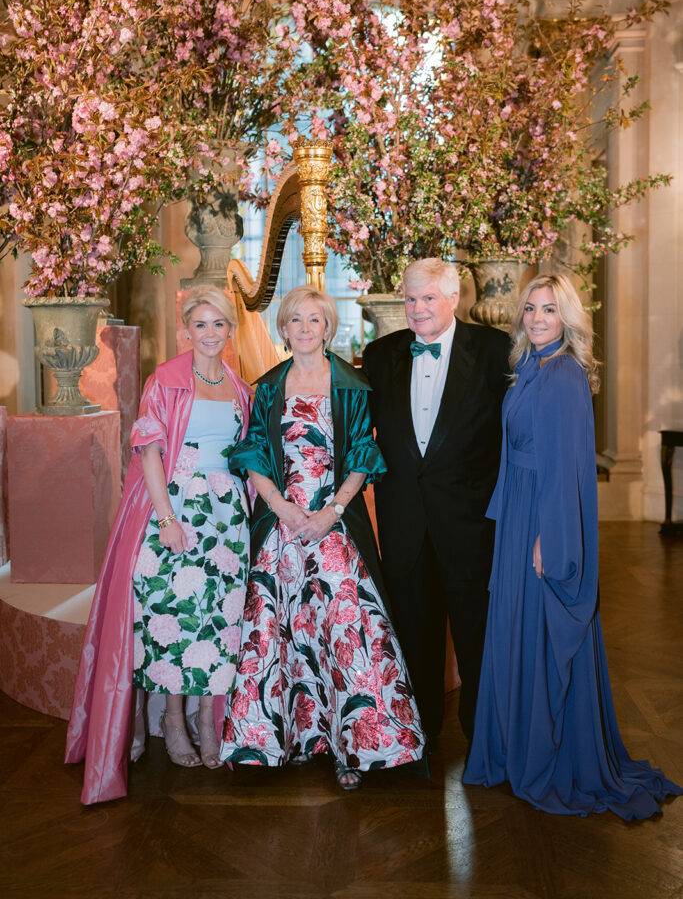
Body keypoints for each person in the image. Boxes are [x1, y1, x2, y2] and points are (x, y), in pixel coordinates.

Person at [463, 273, 681, 818]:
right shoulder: (531, 366)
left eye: (550, 310)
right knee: (516, 627)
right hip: (521, 510)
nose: (537, 319)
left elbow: (565, 468)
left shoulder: (561, 374)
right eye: (531, 309)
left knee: (537, 629)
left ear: (568, 318)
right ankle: (515, 749)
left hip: (542, 518)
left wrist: (548, 538)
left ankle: (548, 756)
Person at [220, 285, 425, 789]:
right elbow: (254, 455)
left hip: (335, 523)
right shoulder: (268, 387)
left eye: (315, 319)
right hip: (282, 526)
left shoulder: (352, 384)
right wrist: (283, 509)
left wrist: (331, 512)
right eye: (296, 320)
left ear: (328, 327)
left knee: (345, 627)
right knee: (283, 631)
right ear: (284, 328)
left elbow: (362, 456)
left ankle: (356, 747)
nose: (306, 328)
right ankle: (294, 739)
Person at [65, 286, 253, 804]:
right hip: (178, 507)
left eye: (219, 324)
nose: (210, 333)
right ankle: (172, 720)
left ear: (230, 330)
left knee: (220, 619)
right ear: (186, 331)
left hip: (227, 517)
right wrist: (167, 519)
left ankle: (208, 722)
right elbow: (149, 452)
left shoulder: (240, 387)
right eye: (201, 324)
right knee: (174, 616)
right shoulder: (165, 379)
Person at [362, 258, 509, 747]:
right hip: (404, 521)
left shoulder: (494, 350)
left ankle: (484, 741)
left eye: (428, 298)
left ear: (453, 298)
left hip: (471, 523)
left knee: (476, 638)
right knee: (413, 637)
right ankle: (417, 739)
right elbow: (358, 434)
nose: (417, 308)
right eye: (410, 298)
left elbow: (513, 435)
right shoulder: (380, 354)